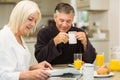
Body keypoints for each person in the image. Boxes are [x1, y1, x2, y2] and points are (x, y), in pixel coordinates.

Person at [0, 0, 53, 80]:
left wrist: (33, 68)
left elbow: (17, 68)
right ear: (19, 16)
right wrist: (30, 74)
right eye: (30, 19)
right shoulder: (3, 37)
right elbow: (3, 75)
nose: (33, 24)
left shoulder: (19, 36)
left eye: (35, 21)